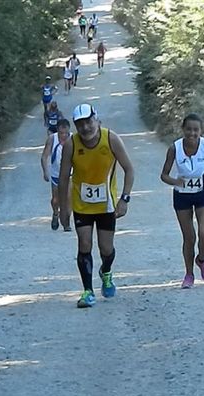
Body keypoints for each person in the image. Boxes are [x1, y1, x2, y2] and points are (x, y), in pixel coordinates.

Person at [59, 104, 135, 308]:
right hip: (81, 205)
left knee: (106, 248)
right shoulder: (71, 145)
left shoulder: (110, 139)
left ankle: (106, 272)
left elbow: (129, 169)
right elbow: (64, 178)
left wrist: (124, 199)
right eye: (80, 125)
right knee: (84, 244)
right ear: (76, 126)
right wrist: (62, 210)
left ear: (97, 120)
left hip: (106, 205)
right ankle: (87, 291)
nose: (86, 128)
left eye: (89, 122)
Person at [160, 113, 204, 288]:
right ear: (183, 129)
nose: (192, 134)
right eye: (188, 129)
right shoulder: (174, 148)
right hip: (182, 195)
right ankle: (189, 275)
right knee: (189, 237)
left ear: (201, 131)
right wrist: (175, 181)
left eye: (196, 130)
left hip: (202, 192)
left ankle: (201, 259)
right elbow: (163, 175)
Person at [41, 119, 72, 231]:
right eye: (61, 133)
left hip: (70, 175)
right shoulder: (52, 139)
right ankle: (55, 213)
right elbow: (44, 156)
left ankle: (66, 223)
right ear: (57, 131)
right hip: (56, 175)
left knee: (68, 199)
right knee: (56, 200)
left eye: (66, 133)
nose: (63, 135)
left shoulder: (74, 139)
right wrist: (45, 171)